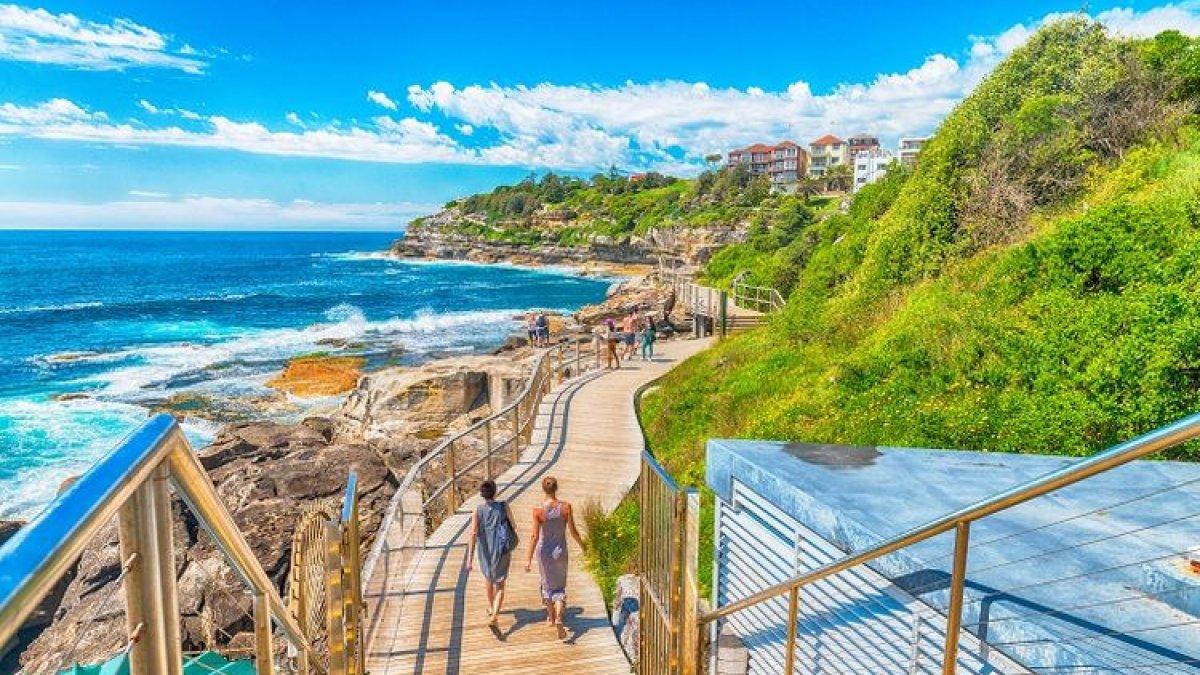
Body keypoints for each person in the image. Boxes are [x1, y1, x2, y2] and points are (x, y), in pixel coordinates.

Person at [525, 476, 586, 640]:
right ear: (556, 488)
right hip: (560, 551)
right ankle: (559, 617)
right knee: (559, 587)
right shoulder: (566, 507)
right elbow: (573, 532)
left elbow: (534, 536)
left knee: (546, 585)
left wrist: (528, 559)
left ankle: (551, 618)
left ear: (543, 489)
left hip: (544, 552)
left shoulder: (537, 510)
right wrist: (583, 546)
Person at [466, 480, 516, 628]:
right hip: (502, 549)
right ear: (495, 492)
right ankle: (495, 613)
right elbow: (514, 525)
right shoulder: (503, 506)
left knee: (488, 578)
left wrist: (469, 559)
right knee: (500, 584)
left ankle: (491, 607)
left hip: (485, 551)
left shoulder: (477, 510)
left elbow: (473, 533)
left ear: (482, 494)